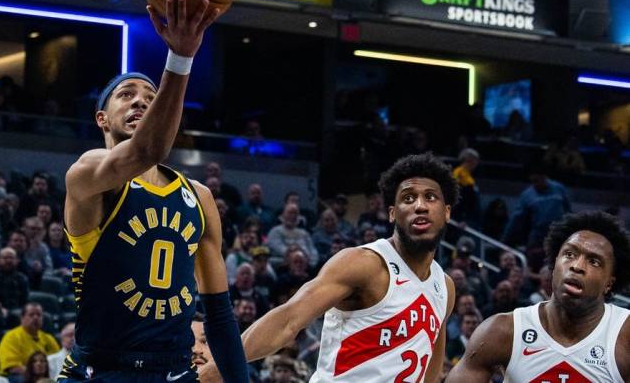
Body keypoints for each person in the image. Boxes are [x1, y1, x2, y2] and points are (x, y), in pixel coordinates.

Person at [59, 0, 246, 383]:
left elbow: (219, 314)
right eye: (126, 95)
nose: (141, 103)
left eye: (150, 98)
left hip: (175, 372)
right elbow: (147, 150)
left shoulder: (198, 196)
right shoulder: (87, 173)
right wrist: (180, 58)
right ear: (102, 118)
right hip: (101, 370)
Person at [202, 153, 457, 382]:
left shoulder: (444, 287)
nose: (419, 205)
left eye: (430, 197)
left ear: (446, 212)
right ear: (392, 213)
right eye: (408, 198)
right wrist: (220, 367)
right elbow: (288, 320)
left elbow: (431, 362)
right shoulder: (364, 263)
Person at [447, 210, 630, 381]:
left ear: (610, 282)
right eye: (569, 254)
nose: (577, 266)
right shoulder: (503, 330)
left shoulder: (624, 335)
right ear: (554, 263)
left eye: (594, 261)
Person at [0, 303, 60, 379]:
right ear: (22, 318)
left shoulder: (49, 338)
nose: (36, 318)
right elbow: (12, 367)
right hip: (21, 376)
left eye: (39, 315)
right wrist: (36, 375)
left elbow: (58, 362)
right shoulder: (11, 337)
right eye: (31, 315)